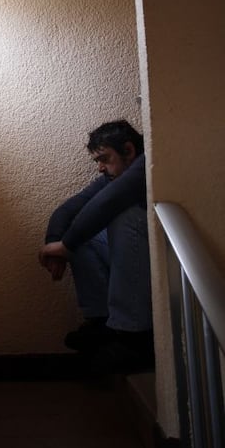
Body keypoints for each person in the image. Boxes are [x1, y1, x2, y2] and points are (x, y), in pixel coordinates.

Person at [39, 119, 153, 374]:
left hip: (163, 261)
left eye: (105, 158)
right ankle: (103, 324)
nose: (100, 168)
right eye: (97, 161)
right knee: (81, 236)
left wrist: (65, 244)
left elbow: (106, 205)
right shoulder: (113, 176)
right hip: (135, 260)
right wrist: (56, 246)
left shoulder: (148, 162)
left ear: (129, 151)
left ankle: (133, 338)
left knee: (123, 217)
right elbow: (67, 211)